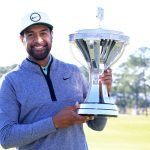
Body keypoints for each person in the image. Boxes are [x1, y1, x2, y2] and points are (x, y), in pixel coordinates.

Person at [0, 11, 112, 150]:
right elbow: (6, 137)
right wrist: (54, 122)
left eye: (43, 33)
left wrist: (103, 95)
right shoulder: (11, 81)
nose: (39, 40)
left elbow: (97, 126)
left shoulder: (73, 72)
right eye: (31, 35)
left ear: (52, 35)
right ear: (21, 39)